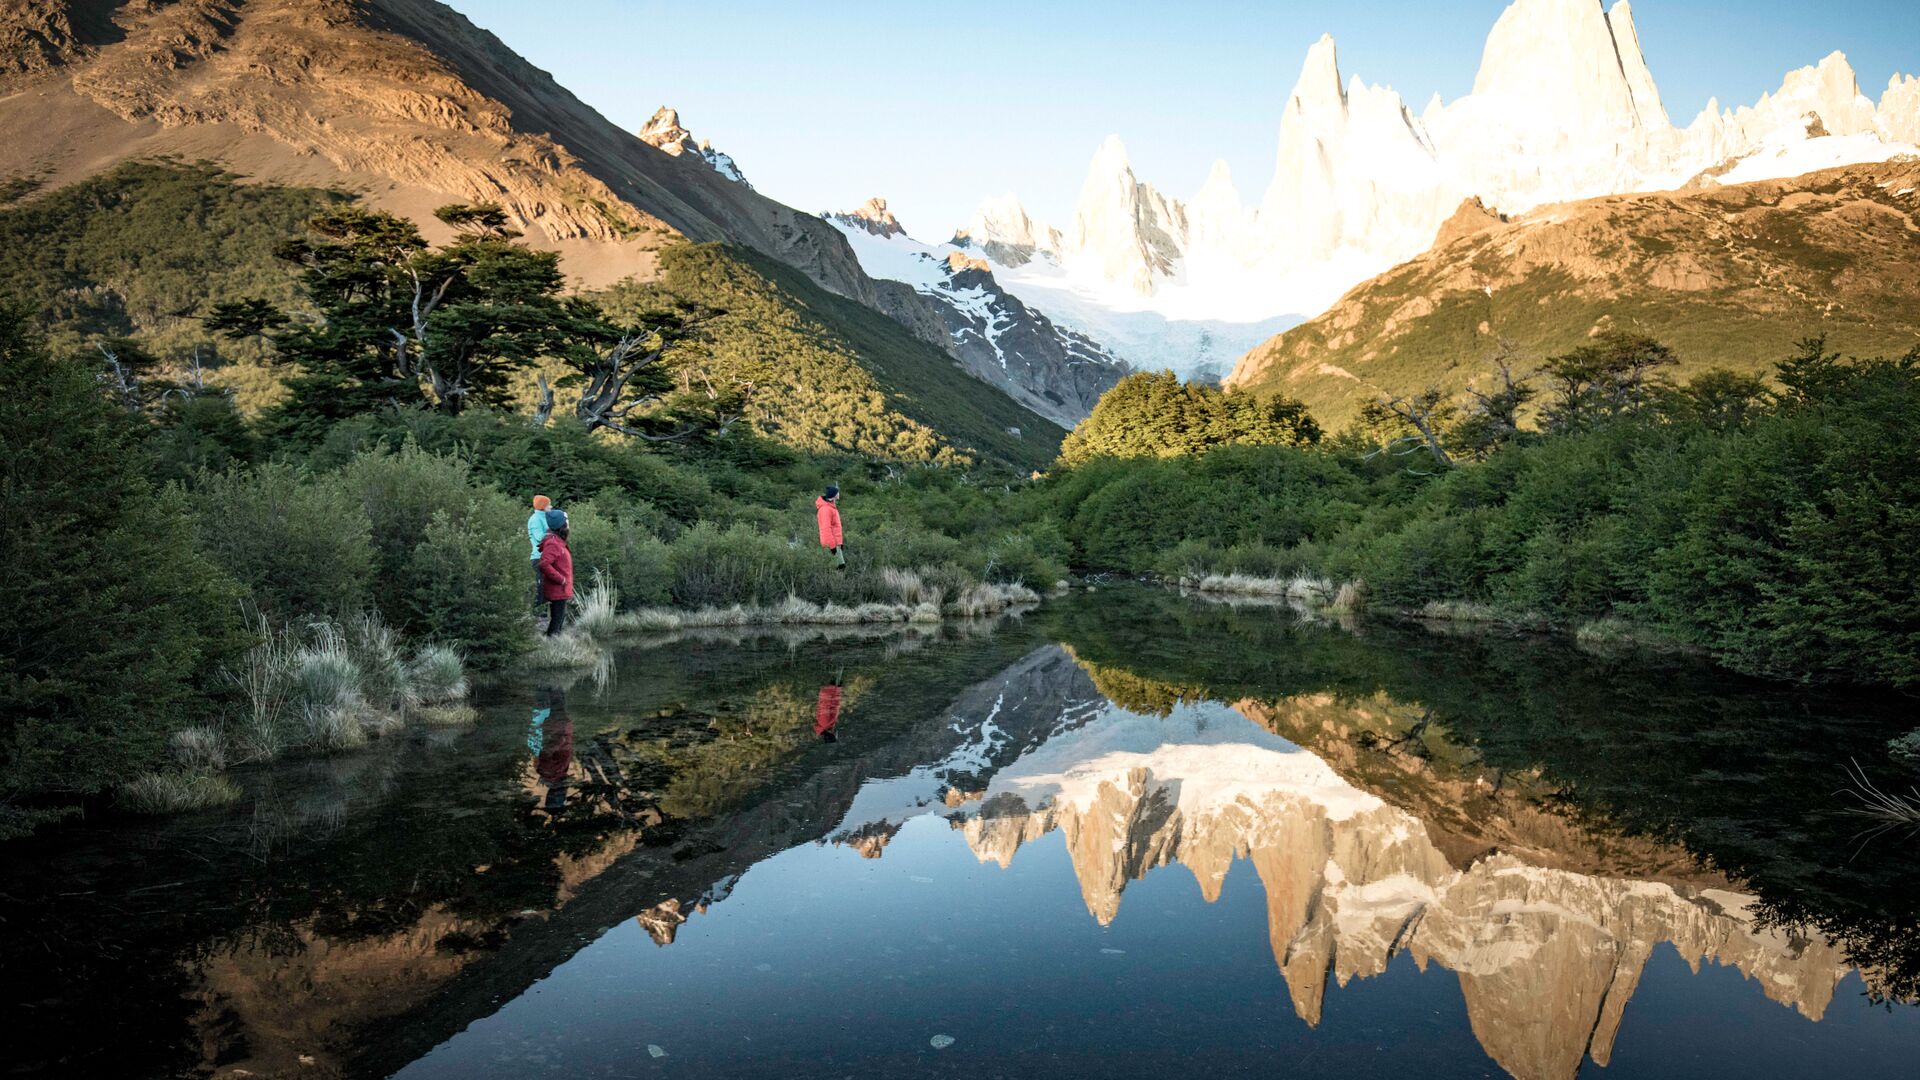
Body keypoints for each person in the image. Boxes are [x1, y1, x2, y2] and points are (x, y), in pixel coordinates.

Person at [537, 508, 574, 636]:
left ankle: (554, 641)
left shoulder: (558, 541)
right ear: (561, 525)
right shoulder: (553, 543)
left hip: (561, 589)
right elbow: (544, 564)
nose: (568, 524)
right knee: (557, 620)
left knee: (559, 619)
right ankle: (552, 643)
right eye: (567, 521)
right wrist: (561, 579)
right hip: (558, 589)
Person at [527, 495, 552, 610]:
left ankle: (545, 611)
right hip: (539, 557)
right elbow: (539, 537)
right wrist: (554, 534)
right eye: (548, 505)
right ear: (543, 506)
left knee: (548, 586)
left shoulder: (545, 517)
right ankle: (538, 612)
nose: (551, 507)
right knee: (540, 586)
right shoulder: (535, 519)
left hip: (547, 557)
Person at [816, 484, 845, 570]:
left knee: (840, 568)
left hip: (836, 543)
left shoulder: (831, 507)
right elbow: (826, 529)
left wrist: (840, 543)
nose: (839, 493)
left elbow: (835, 527)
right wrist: (832, 547)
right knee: (837, 569)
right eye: (837, 492)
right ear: (834, 495)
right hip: (831, 544)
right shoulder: (826, 509)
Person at [814, 678, 842, 742]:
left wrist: (832, 688)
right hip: (831, 691)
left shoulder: (825, 723)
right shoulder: (829, 725)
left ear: (831, 734)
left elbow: (825, 705)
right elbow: (835, 705)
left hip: (828, 691)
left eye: (835, 734)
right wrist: (838, 690)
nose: (835, 732)